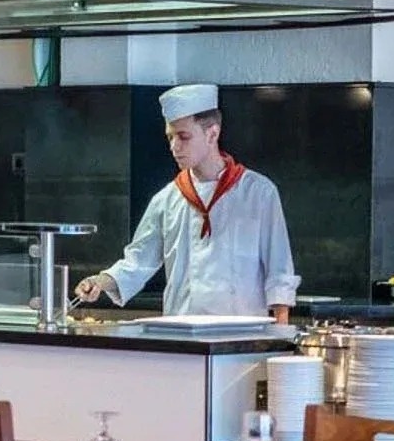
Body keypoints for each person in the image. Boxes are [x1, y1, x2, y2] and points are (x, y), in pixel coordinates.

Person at [74, 83, 300, 322]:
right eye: (170, 137)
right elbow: (137, 261)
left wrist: (281, 334)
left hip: (242, 332)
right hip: (181, 331)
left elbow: (279, 271)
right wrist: (99, 281)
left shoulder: (258, 192)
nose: (174, 147)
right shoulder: (167, 199)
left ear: (212, 133)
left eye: (183, 137)